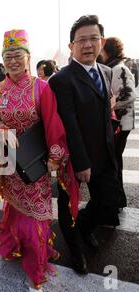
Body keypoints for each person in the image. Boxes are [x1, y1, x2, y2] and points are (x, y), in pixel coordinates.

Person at [0, 29, 79, 292]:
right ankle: (15, 248)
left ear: (28, 58)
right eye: (8, 56)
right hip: (9, 165)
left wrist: (55, 155)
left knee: (36, 220)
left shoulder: (41, 87)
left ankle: (36, 271)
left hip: (35, 166)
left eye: (18, 55)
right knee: (14, 211)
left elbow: (53, 123)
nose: (13, 61)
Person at [48, 15, 123, 275]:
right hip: (73, 157)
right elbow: (69, 124)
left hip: (103, 152)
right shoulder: (61, 79)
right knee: (68, 206)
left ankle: (83, 229)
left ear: (101, 42)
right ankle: (74, 247)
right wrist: (81, 163)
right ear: (71, 47)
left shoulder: (106, 70)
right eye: (81, 40)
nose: (88, 44)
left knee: (107, 202)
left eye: (93, 38)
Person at [100, 37, 137, 210]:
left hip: (120, 124)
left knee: (114, 162)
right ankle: (117, 199)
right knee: (114, 162)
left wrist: (108, 105)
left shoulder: (118, 68)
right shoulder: (114, 67)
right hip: (118, 123)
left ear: (107, 50)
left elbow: (129, 95)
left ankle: (115, 200)